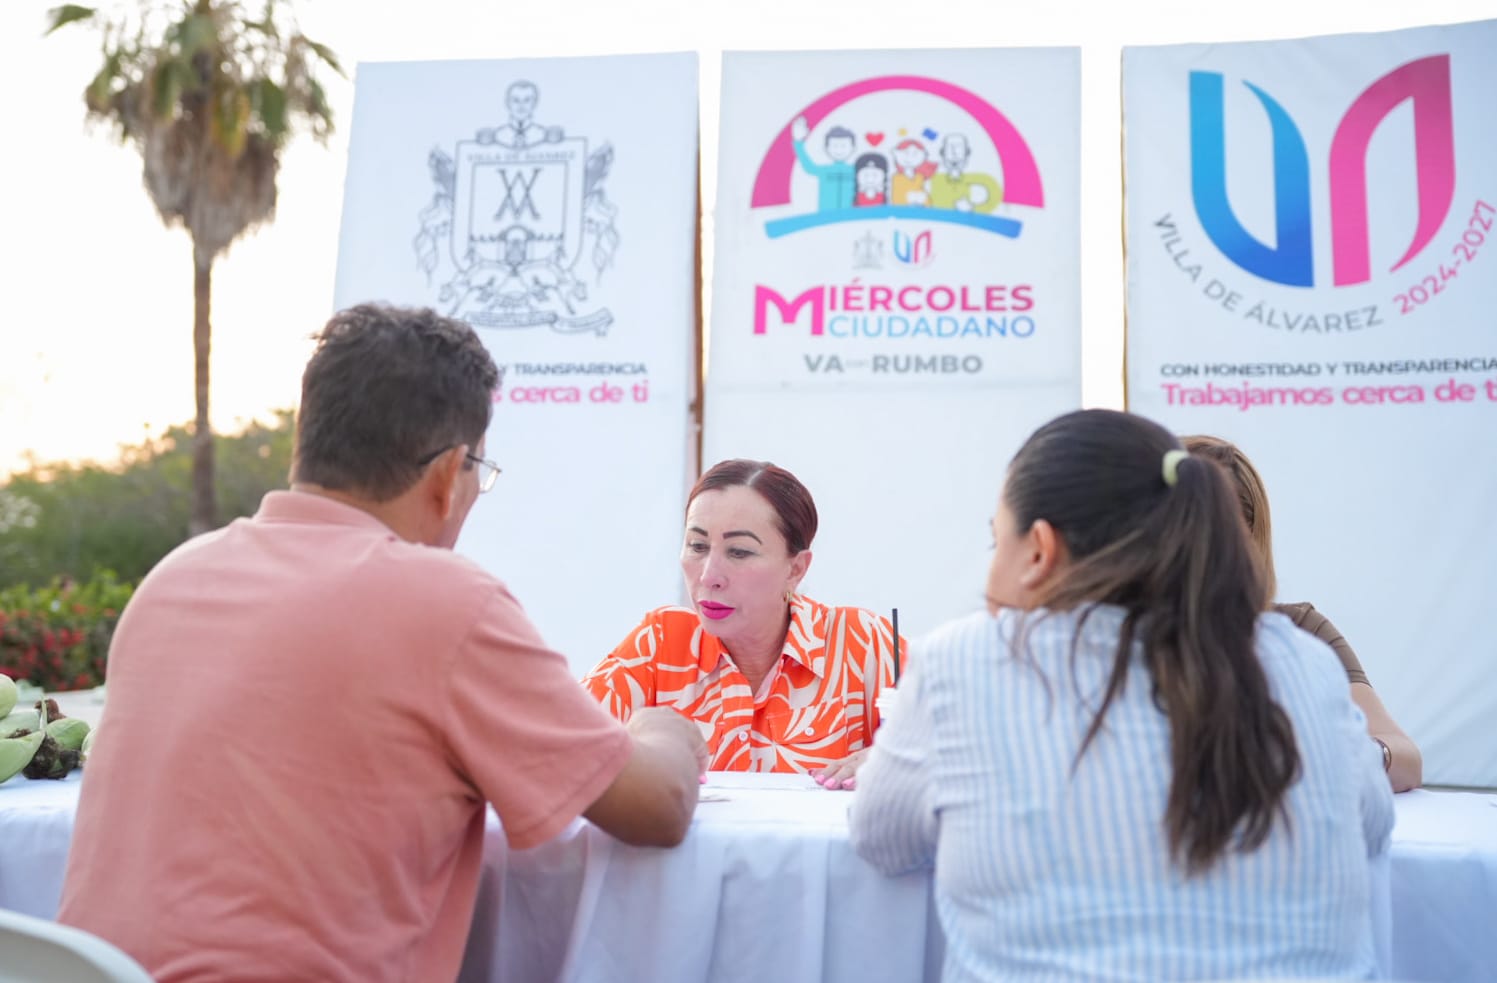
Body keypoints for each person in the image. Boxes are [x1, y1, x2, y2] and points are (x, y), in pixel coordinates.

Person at [58, 304, 705, 983]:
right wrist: (661, 729)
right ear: (447, 474)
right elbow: (656, 806)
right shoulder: (445, 604)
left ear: (305, 444)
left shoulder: (173, 581)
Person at [851, 409, 1393, 983]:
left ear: (1040, 548)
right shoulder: (1307, 663)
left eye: (996, 540)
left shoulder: (962, 662)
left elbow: (882, 839)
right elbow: (1372, 823)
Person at [584, 459, 903, 785]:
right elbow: (565, 743)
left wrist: (906, 763)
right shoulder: (660, 642)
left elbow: (935, 748)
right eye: (697, 546)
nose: (709, 576)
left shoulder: (865, 643)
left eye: (738, 551)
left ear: (796, 569)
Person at [1183, 434, 1423, 791]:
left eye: (1213, 529)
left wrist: (1351, 754)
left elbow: (1406, 759)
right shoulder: (1121, 636)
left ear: (1251, 538)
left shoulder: (1301, 632)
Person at [790, 116, 857, 211]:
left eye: (843, 146)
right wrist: (798, 142)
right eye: (835, 146)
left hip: (851, 216)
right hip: (826, 215)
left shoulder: (856, 170)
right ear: (826, 148)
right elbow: (808, 166)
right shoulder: (824, 170)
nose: (839, 150)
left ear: (853, 148)